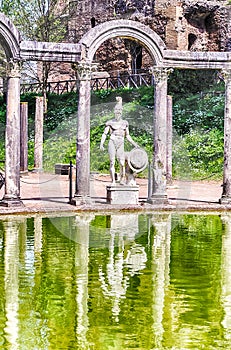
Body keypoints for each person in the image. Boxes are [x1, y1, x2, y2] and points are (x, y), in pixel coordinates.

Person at [100, 96, 138, 185]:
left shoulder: (125, 123)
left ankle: (121, 179)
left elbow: (127, 136)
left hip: (121, 142)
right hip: (112, 141)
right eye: (116, 112)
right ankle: (113, 181)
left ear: (121, 113)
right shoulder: (110, 122)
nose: (118, 113)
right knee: (112, 162)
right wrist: (101, 143)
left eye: (119, 112)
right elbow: (105, 134)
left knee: (122, 162)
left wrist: (134, 143)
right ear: (114, 112)